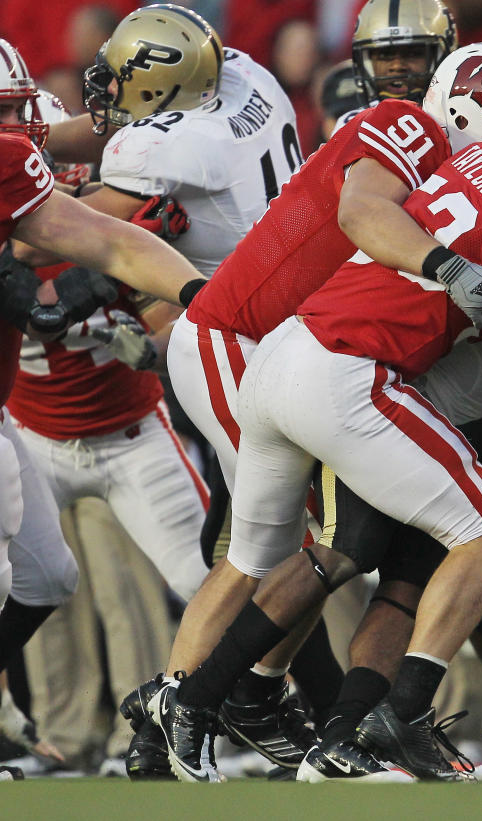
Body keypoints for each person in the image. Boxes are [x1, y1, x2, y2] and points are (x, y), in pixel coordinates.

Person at [148, 103, 482, 783]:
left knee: (285, 556)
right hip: (352, 377)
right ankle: (403, 712)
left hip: (278, 360)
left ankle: (191, 704)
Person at [0, 31, 208, 761]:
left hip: (110, 426)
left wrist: (173, 311)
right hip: (31, 427)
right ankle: (42, 732)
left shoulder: (63, 193)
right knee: (30, 578)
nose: (26, 146)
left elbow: (128, 257)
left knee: (83, 580)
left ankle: (164, 728)